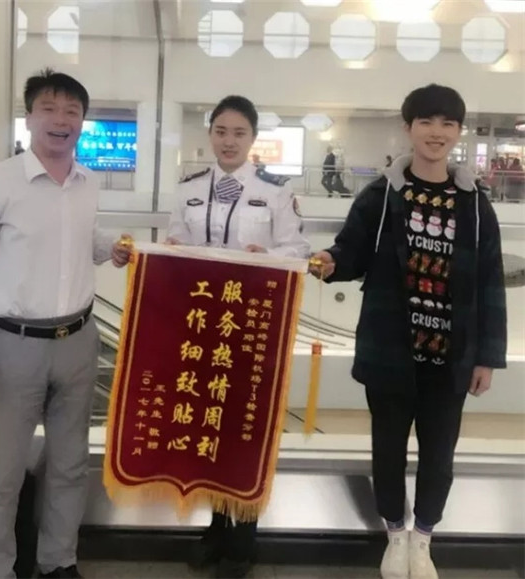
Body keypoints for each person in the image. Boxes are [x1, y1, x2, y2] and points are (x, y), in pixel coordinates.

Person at [310, 84, 506, 579]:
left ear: (458, 132)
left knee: (439, 458)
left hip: (451, 356)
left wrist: (486, 356)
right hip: (390, 351)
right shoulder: (382, 196)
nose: (436, 132)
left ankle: (423, 540)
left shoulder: (475, 206)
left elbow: (489, 283)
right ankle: (395, 535)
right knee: (388, 451)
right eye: (426, 121)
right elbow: (351, 251)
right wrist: (329, 262)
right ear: (408, 128)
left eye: (447, 123)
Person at [0, 68, 132, 579]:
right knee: (1, 475)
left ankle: (58, 562)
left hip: (78, 340)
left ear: (82, 122)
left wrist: (111, 248)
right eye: (49, 108)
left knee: (70, 465)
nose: (61, 120)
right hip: (14, 345)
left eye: (72, 111)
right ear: (29, 117)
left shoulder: (87, 182)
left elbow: (82, 238)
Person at [167, 95, 309, 579]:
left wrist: (266, 258)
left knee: (245, 431)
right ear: (210, 135)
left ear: (253, 139)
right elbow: (175, 244)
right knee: (206, 428)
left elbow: (297, 249)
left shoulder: (275, 192)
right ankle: (215, 528)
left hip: (251, 329)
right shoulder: (188, 190)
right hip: (203, 328)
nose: (229, 142)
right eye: (221, 132)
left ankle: (243, 538)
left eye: (239, 133)